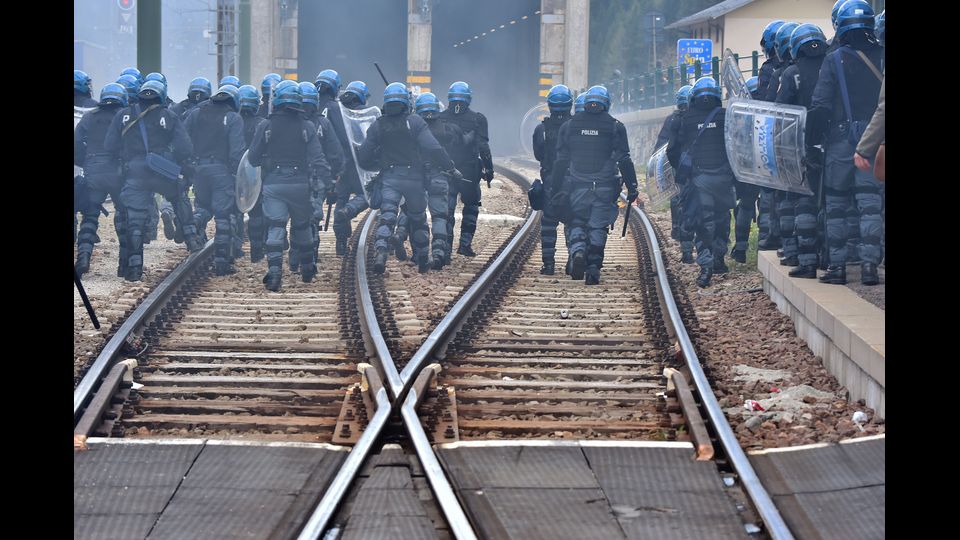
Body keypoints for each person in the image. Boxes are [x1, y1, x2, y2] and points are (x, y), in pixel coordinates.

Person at [806, 0, 884, 286]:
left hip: (840, 142)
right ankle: (869, 269)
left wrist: (812, 145)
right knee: (870, 204)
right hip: (875, 142)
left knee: (836, 205)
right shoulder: (882, 56)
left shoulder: (834, 58)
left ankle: (837, 269)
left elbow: (820, 106)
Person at [104, 80, 204, 281]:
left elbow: (109, 146)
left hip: (134, 172)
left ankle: (134, 268)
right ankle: (191, 238)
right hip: (161, 171)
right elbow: (185, 148)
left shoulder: (123, 115)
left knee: (135, 220)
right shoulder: (168, 115)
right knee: (178, 197)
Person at [357, 83, 459, 274]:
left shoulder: (378, 125)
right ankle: (422, 259)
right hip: (414, 179)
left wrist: (378, 162)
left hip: (390, 178)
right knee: (418, 219)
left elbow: (364, 156)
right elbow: (433, 148)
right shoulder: (416, 122)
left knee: (387, 216)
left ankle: (381, 252)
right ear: (406, 102)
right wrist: (450, 167)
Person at [246, 80, 331, 290]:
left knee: (276, 227)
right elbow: (318, 158)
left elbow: (253, 158)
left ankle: (275, 274)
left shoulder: (266, 125)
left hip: (274, 184)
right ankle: (308, 269)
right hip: (300, 185)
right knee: (302, 227)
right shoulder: (307, 126)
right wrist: (325, 183)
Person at [553, 85, 638, 285]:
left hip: (577, 186)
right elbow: (624, 159)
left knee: (576, 222)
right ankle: (593, 269)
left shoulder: (569, 126)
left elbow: (561, 161)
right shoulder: (616, 126)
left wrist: (555, 188)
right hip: (605, 187)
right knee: (598, 227)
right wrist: (632, 186)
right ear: (606, 104)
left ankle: (578, 251)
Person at [667, 77, 735, 288]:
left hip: (698, 180)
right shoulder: (727, 117)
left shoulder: (683, 119)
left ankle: (705, 267)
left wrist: (684, 172)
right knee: (722, 218)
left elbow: (672, 151)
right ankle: (719, 260)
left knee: (703, 222)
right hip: (724, 179)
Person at [776, 23, 829, 279]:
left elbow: (780, 114)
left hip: (802, 146)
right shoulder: (835, 64)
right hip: (835, 142)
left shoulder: (791, 73)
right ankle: (831, 259)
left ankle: (807, 262)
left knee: (804, 204)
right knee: (834, 203)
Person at [183, 85, 246, 275]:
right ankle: (221, 264)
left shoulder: (196, 113)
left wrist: (190, 165)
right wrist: (237, 175)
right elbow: (237, 151)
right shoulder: (233, 118)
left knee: (203, 207)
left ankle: (193, 223)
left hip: (199, 169)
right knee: (223, 216)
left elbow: (183, 140)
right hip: (221, 171)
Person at [75, 83, 129, 276]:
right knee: (124, 217)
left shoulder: (90, 117)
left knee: (89, 218)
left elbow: (76, 143)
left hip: (93, 171)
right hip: (118, 171)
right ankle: (125, 264)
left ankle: (83, 257)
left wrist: (85, 161)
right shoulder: (125, 116)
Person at [439, 81, 493, 258]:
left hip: (446, 169)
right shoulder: (478, 119)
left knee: (447, 209)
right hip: (469, 171)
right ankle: (465, 244)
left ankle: (445, 247)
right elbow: (483, 148)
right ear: (468, 98)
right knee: (471, 206)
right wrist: (489, 170)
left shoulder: (440, 117)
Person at [298, 81, 344, 272]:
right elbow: (335, 153)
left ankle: (296, 256)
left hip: (295, 177)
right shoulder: (323, 123)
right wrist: (334, 178)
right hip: (317, 177)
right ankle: (310, 257)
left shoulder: (290, 123)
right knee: (313, 216)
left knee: (297, 218)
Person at [416, 92, 466, 269]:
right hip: (440, 177)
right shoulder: (448, 129)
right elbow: (458, 151)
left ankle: (418, 254)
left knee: (417, 217)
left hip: (418, 178)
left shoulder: (414, 128)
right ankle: (438, 253)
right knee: (440, 217)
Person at [533, 85, 574, 275]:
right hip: (574, 179)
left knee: (548, 223)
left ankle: (548, 264)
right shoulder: (577, 127)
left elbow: (539, 154)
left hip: (550, 179)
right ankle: (573, 259)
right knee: (573, 221)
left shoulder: (541, 129)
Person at [329, 80, 373, 257]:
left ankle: (340, 242)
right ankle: (350, 210)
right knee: (366, 196)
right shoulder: (365, 114)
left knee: (341, 199)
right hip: (360, 166)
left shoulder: (336, 111)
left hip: (342, 166)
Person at [656, 85, 695, 263]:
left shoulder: (672, 120)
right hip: (698, 168)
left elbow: (662, 146)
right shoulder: (696, 117)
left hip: (678, 167)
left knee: (677, 199)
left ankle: (678, 230)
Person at [237, 85, 267, 262]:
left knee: (231, 214)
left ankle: (233, 249)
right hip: (256, 174)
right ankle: (256, 251)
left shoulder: (233, 120)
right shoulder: (260, 124)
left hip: (232, 173)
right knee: (257, 214)